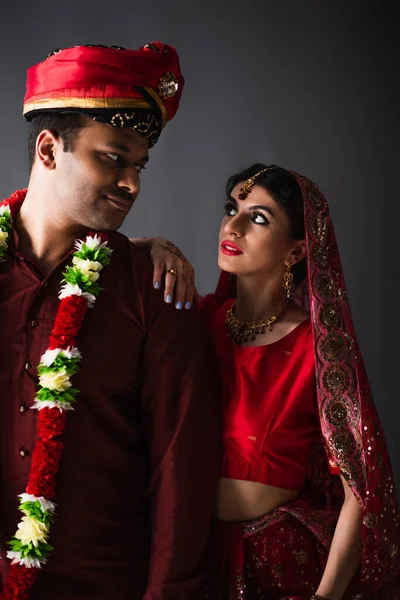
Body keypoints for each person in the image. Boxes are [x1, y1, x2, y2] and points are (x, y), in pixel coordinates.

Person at [0, 43, 221, 600]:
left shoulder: (154, 288)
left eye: (139, 165)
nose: (132, 184)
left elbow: (181, 470)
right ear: (49, 150)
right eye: (113, 157)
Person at [140, 164, 400, 599]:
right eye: (231, 208)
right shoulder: (198, 324)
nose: (233, 226)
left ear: (297, 251)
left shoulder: (317, 347)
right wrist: (152, 245)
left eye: (259, 218)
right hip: (188, 556)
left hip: (279, 562)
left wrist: (326, 597)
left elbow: (360, 485)